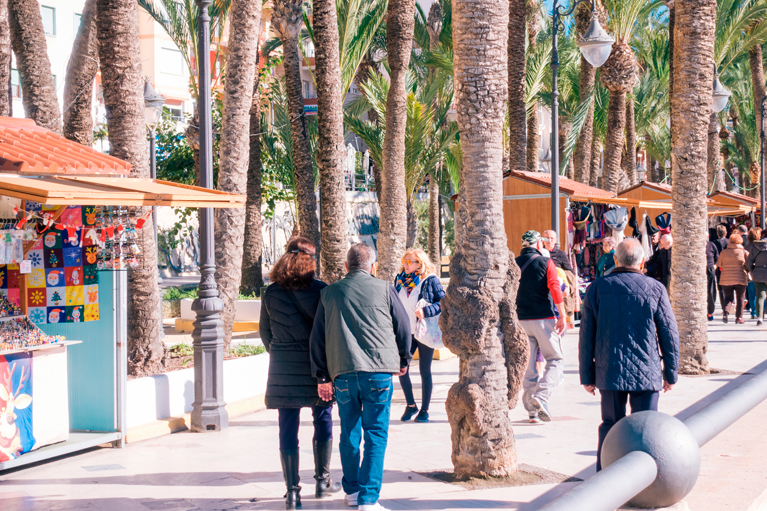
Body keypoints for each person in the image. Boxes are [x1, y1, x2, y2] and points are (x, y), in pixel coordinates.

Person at [310, 243, 412, 511]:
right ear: (373, 266)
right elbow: (403, 325)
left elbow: (317, 337)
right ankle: (368, 499)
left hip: (342, 373)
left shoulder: (329, 293)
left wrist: (323, 376)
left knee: (349, 432)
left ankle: (352, 492)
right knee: (376, 434)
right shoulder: (384, 288)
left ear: (346, 266)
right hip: (378, 372)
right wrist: (404, 359)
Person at [579, 238, 679, 472]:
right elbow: (669, 334)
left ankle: (604, 477)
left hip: (609, 370)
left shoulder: (597, 288)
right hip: (647, 371)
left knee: (611, 425)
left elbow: (586, 336)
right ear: (643, 261)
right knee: (645, 429)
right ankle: (643, 480)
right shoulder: (655, 289)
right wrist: (671, 373)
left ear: (615, 259)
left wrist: (587, 375)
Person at [259, 237, 341, 510]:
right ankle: (322, 480)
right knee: (323, 416)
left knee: (287, 426)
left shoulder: (271, 293)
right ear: (310, 261)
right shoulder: (322, 290)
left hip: (283, 366)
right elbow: (330, 332)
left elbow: (265, 332)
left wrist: (281, 352)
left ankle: (292, 492)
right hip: (318, 365)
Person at [515, 230, 567, 423]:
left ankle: (532, 411)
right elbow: (554, 287)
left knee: (529, 368)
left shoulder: (513, 264)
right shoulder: (546, 262)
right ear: (538, 245)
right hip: (544, 319)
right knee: (556, 360)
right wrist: (562, 315)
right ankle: (541, 397)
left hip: (520, 321)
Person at [395, 248, 445, 423]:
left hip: (423, 331)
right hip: (405, 332)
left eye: (410, 262)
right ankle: (411, 405)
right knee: (402, 369)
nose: (406, 265)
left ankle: (424, 410)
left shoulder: (430, 280)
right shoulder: (400, 280)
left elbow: (442, 302)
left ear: (420, 263)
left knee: (424, 370)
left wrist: (426, 310)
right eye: (405, 261)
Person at [717, 233, 749, 324]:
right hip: (740, 279)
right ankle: (739, 317)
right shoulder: (744, 252)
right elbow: (749, 265)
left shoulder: (724, 252)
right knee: (741, 298)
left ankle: (726, 314)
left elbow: (719, 264)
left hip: (726, 279)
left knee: (728, 298)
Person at [746, 231, 767, 326]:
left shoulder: (755, 246)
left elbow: (748, 262)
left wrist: (753, 270)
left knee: (760, 297)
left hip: (758, 274)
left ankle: (759, 318)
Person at [712, 225, 730, 307]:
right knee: (729, 287)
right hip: (728, 267)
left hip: (719, 267)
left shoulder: (714, 243)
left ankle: (724, 306)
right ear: (726, 233)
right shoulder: (729, 242)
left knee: (720, 288)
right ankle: (729, 305)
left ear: (717, 233)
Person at [746, 228, 761, 318]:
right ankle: (760, 312)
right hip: (761, 272)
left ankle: (754, 312)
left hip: (751, 273)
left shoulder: (746, 247)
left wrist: (751, 269)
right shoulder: (761, 247)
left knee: (752, 294)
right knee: (760, 294)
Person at [706, 231, 718, 321]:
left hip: (710, 271)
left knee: (711, 292)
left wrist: (715, 265)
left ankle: (710, 312)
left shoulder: (711, 245)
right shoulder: (697, 246)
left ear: (707, 235)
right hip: (699, 271)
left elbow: (717, 257)